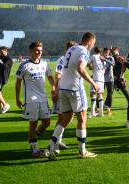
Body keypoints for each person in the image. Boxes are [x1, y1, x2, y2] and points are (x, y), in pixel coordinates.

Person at [46, 32, 99, 160]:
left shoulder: (71, 48)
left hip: (63, 88)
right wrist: (93, 83)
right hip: (75, 89)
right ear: (90, 41)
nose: (93, 46)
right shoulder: (84, 51)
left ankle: (50, 146)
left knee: (66, 118)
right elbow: (81, 69)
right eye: (93, 43)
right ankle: (82, 151)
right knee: (82, 119)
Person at [15, 41, 55, 158]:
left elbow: (50, 77)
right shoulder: (24, 65)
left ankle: (33, 138)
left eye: (41, 51)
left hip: (43, 99)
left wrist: (53, 87)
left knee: (47, 122)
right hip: (31, 100)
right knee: (33, 123)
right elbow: (18, 83)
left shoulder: (44, 64)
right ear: (31, 51)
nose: (39, 52)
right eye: (37, 50)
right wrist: (17, 99)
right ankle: (34, 149)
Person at [51, 40, 77, 153]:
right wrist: (55, 91)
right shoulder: (63, 59)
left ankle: (58, 141)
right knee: (64, 118)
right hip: (62, 92)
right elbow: (57, 75)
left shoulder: (66, 59)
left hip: (64, 91)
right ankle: (55, 143)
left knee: (64, 118)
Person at [88, 47, 108, 118]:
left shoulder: (93, 56)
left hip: (95, 78)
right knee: (100, 95)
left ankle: (92, 112)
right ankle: (101, 112)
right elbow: (104, 69)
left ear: (94, 51)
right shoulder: (103, 58)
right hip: (102, 79)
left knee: (92, 94)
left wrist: (90, 66)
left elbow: (88, 64)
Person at [103, 47, 115, 115]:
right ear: (103, 52)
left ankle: (109, 108)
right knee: (100, 94)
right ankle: (99, 109)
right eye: (105, 52)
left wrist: (105, 59)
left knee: (110, 94)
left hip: (110, 79)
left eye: (107, 52)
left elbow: (113, 64)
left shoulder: (111, 58)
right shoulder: (100, 58)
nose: (106, 53)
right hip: (102, 79)